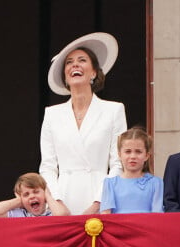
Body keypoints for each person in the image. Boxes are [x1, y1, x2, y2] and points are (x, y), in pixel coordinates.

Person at [39, 32, 128, 215]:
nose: (75, 65)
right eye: (69, 62)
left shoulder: (114, 110)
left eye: (82, 60)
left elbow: (118, 163)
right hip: (63, 202)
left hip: (100, 200)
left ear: (94, 72)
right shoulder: (52, 114)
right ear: (65, 74)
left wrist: (99, 203)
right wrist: (56, 202)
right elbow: (47, 166)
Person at [100, 127, 163, 214]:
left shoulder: (156, 183)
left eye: (138, 152)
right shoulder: (110, 183)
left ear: (147, 155)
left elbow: (157, 215)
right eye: (128, 151)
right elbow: (106, 215)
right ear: (119, 154)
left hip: (146, 227)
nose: (133, 156)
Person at [0, 173, 70, 217]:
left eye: (36, 192)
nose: (32, 196)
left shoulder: (52, 213)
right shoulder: (21, 215)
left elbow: (62, 215)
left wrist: (48, 196)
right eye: (26, 194)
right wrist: (19, 201)